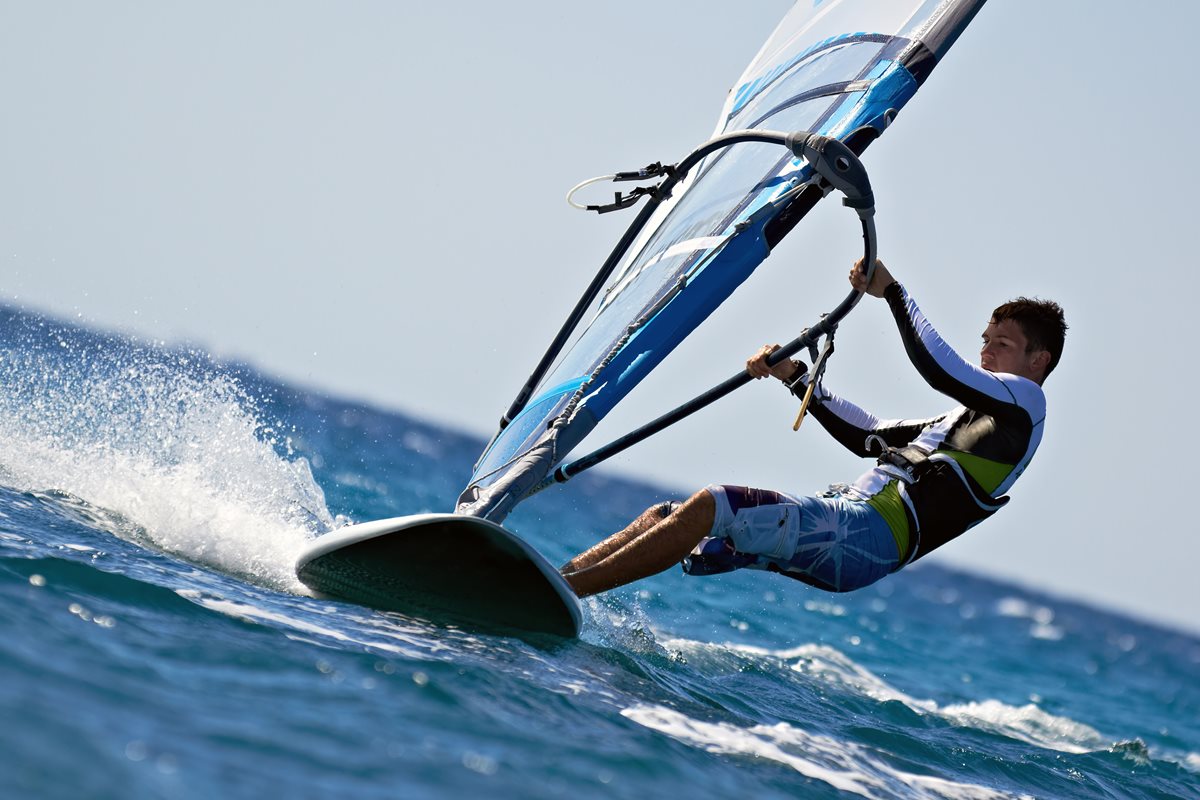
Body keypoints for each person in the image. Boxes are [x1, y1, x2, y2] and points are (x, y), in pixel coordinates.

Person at [560, 258, 1067, 598]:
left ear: (1038, 360)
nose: (985, 351)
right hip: (849, 528)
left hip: (864, 535)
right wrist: (794, 377)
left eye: (1001, 343)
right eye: (985, 339)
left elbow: (941, 368)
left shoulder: (1027, 403)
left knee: (713, 503)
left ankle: (565, 593)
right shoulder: (958, 422)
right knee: (672, 518)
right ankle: (559, 581)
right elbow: (866, 434)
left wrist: (892, 292)